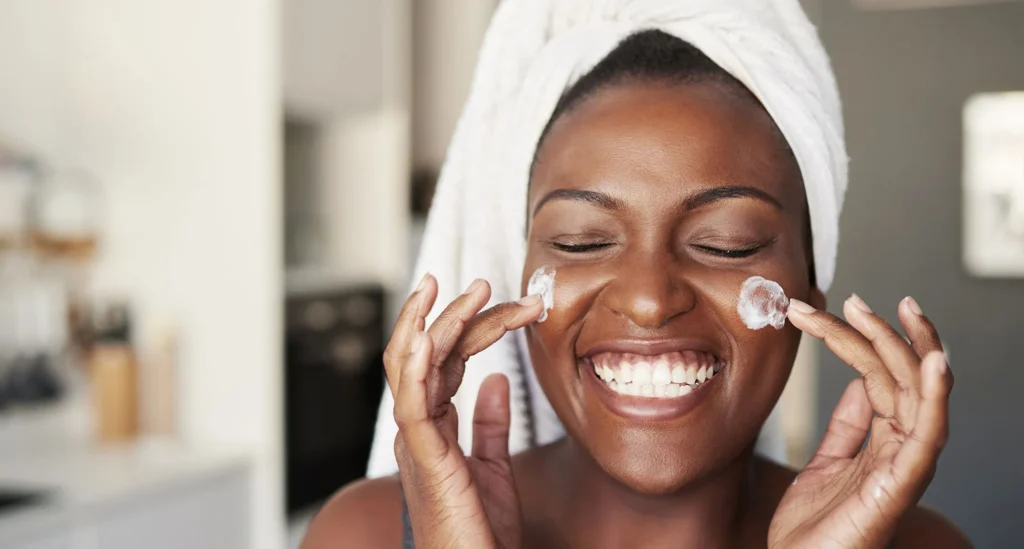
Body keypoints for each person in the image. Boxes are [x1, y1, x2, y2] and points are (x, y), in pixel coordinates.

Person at [302, 4, 971, 548]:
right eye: (582, 240)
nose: (650, 299)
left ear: (810, 297)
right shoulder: (367, 534)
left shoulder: (917, 544)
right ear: (517, 283)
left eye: (726, 244)